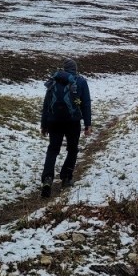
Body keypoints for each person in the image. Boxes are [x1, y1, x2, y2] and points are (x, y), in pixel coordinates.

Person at [40, 58, 92, 198]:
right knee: (73, 149)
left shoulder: (53, 80)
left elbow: (46, 104)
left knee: (53, 149)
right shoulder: (80, 82)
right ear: (75, 69)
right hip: (72, 121)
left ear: (64, 68)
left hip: (54, 121)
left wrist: (44, 125)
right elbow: (85, 103)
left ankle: (47, 179)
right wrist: (87, 124)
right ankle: (66, 177)